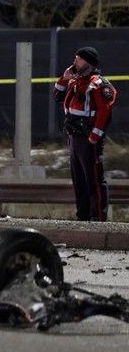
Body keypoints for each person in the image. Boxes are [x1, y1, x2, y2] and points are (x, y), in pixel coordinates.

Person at [54, 45, 117, 221]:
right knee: (79, 181)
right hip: (74, 137)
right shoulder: (75, 81)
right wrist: (64, 79)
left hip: (88, 138)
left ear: (88, 62)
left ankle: (98, 220)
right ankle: (83, 218)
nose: (75, 61)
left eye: (79, 59)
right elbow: (57, 96)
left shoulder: (99, 85)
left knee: (94, 181)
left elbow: (104, 114)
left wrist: (93, 138)